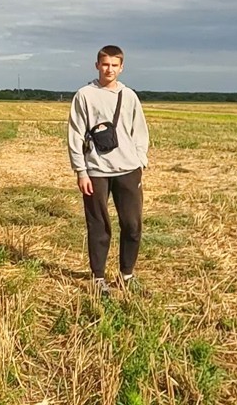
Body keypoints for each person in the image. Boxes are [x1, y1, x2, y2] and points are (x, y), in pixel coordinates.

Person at [67, 45, 150, 295]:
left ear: (121, 67)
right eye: (105, 64)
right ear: (97, 66)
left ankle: (127, 275)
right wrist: (81, 171)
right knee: (99, 225)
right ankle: (98, 278)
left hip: (128, 169)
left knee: (132, 225)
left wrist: (140, 160)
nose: (109, 69)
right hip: (96, 170)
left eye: (115, 65)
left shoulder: (129, 96)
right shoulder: (84, 95)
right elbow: (75, 133)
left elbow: (140, 131)